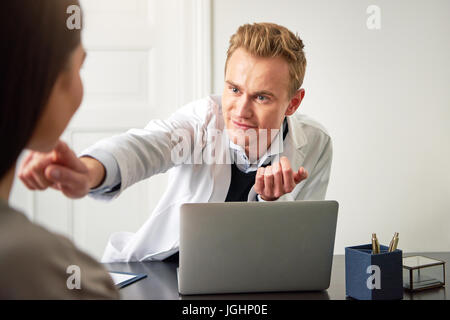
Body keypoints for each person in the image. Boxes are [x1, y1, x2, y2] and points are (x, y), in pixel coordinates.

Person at [19, 23, 333, 263]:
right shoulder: (202, 122)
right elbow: (144, 147)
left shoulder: (315, 145)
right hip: (165, 269)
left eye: (261, 97)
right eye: (234, 89)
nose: (241, 110)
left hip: (250, 277)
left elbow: (297, 249)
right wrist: (89, 171)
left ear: (293, 103)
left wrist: (272, 204)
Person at [0, 0, 119, 299]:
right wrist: (91, 171)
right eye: (80, 66)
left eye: (259, 96)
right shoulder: (47, 270)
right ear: (42, 76)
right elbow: (150, 144)